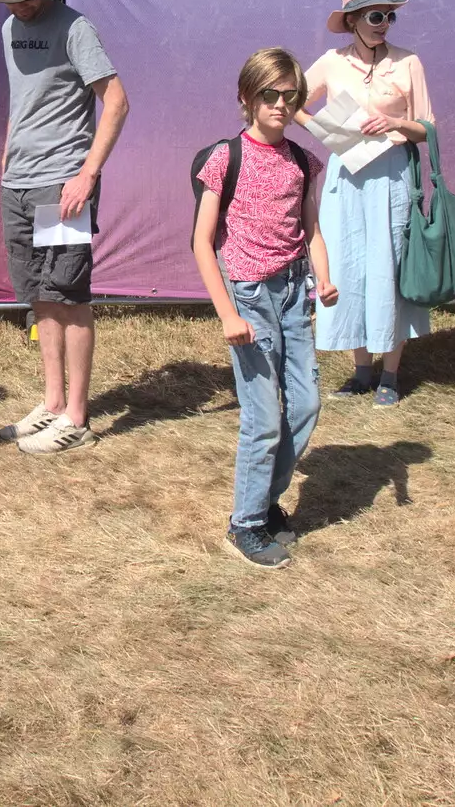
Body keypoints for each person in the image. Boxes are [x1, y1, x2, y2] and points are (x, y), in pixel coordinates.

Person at [0, 0, 129, 454]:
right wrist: (7, 150)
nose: (23, 5)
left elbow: (116, 101)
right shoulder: (7, 28)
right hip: (17, 182)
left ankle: (79, 420)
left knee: (70, 294)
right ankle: (52, 404)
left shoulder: (75, 27)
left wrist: (87, 174)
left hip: (62, 182)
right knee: (40, 294)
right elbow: (25, 99)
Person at [193, 48, 336, 569]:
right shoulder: (225, 159)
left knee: (304, 406)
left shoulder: (302, 160)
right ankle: (245, 523)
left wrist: (323, 276)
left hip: (296, 293)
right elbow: (202, 242)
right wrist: (227, 314)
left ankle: (266, 500)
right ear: (247, 98)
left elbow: (311, 228)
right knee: (263, 417)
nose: (280, 104)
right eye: (269, 95)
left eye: (290, 96)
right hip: (249, 299)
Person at [294, 0, 432, 407]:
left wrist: (395, 125)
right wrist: (324, 129)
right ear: (351, 21)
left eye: (390, 15)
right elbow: (289, 99)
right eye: (376, 16)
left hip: (393, 175)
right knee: (348, 262)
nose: (384, 24)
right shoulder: (331, 63)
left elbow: (427, 126)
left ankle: (390, 375)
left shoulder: (408, 62)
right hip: (347, 175)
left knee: (388, 265)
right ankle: (361, 372)